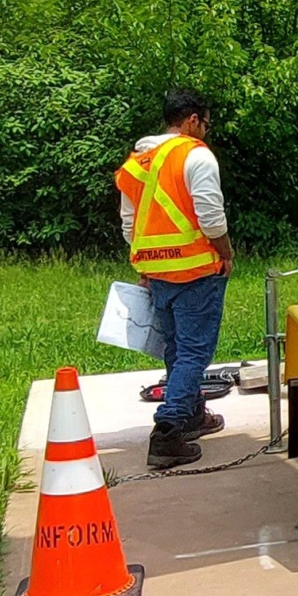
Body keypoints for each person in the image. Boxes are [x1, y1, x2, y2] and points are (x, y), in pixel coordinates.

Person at [116, 88, 234, 469]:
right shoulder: (195, 155)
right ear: (193, 120)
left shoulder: (138, 162)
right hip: (196, 271)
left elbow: (129, 225)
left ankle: (192, 413)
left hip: (157, 273)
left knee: (176, 349)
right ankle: (168, 430)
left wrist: (148, 265)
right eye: (206, 125)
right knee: (194, 352)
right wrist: (226, 253)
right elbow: (210, 217)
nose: (206, 132)